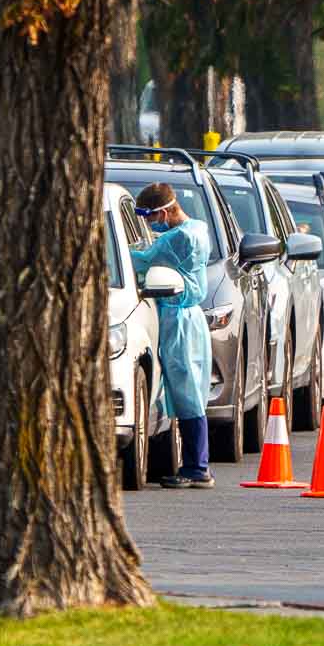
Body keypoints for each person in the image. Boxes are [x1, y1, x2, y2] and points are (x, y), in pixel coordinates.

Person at [130, 182, 214, 490]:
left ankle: (196, 466)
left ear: (165, 211)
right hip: (186, 314)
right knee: (186, 385)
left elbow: (143, 260)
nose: (149, 222)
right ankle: (193, 462)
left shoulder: (178, 238)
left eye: (150, 216)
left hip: (178, 316)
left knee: (185, 387)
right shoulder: (196, 228)